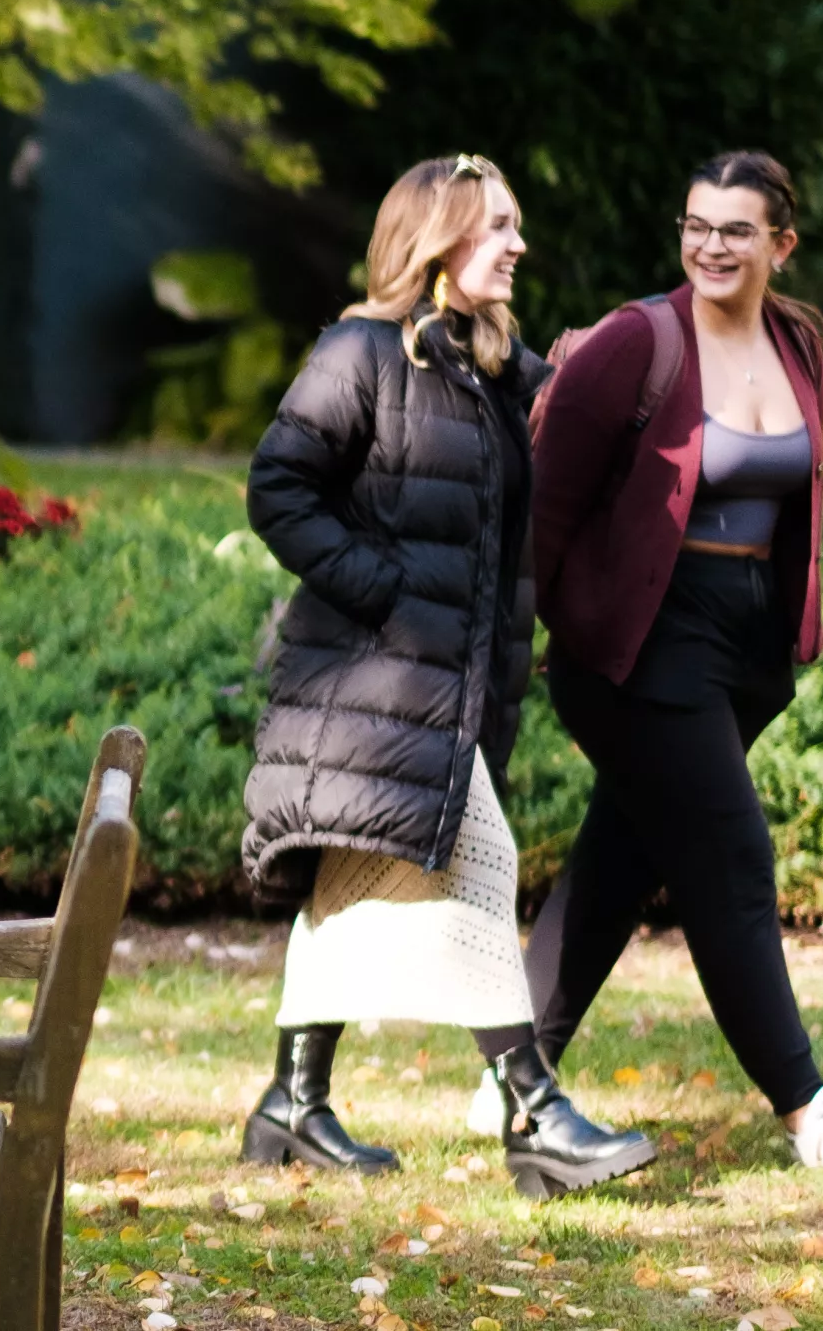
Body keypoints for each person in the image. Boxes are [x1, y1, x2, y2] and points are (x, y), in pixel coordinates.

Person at [232, 154, 653, 1199]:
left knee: (343, 894)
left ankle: (289, 1105)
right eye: (495, 228)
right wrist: (375, 588)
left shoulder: (487, 370)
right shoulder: (360, 351)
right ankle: (534, 1112)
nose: (516, 245)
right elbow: (276, 486)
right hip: (371, 693)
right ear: (436, 244)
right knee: (479, 861)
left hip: (442, 695)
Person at [519, 150, 823, 1173]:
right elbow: (545, 504)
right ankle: (809, 1115)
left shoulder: (795, 343)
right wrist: (511, 639)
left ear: (779, 245)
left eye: (734, 230)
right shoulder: (632, 340)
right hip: (641, 642)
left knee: (618, 862)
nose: (708, 245)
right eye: (694, 225)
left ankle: (511, 1081)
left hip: (739, 646)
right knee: (730, 859)